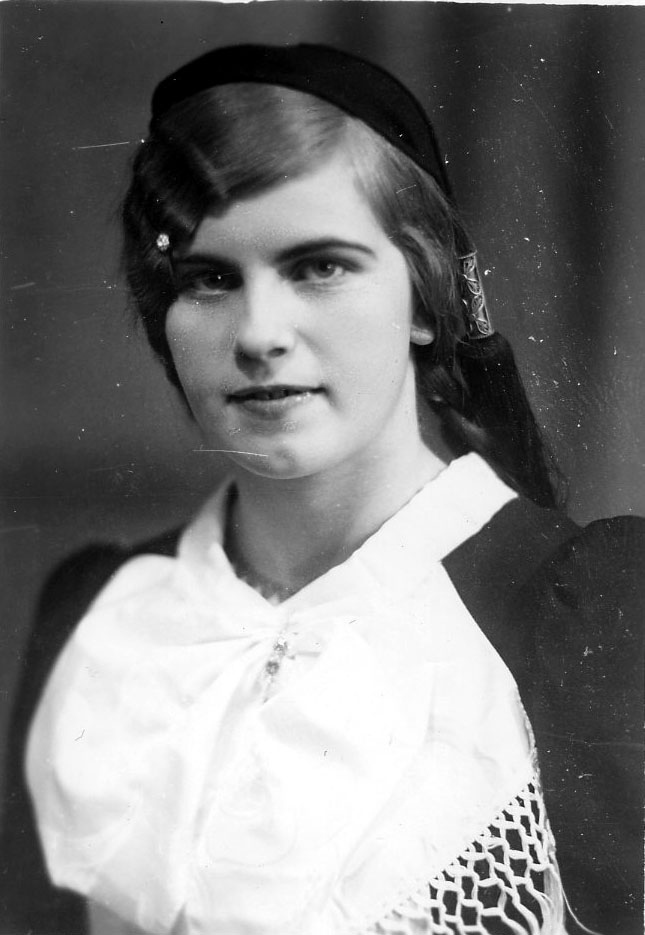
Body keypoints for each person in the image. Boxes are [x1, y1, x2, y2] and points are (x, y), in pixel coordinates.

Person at [3, 43, 642, 935]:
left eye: (319, 267)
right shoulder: (105, 616)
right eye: (208, 279)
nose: (259, 333)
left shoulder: (598, 611)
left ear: (423, 295)